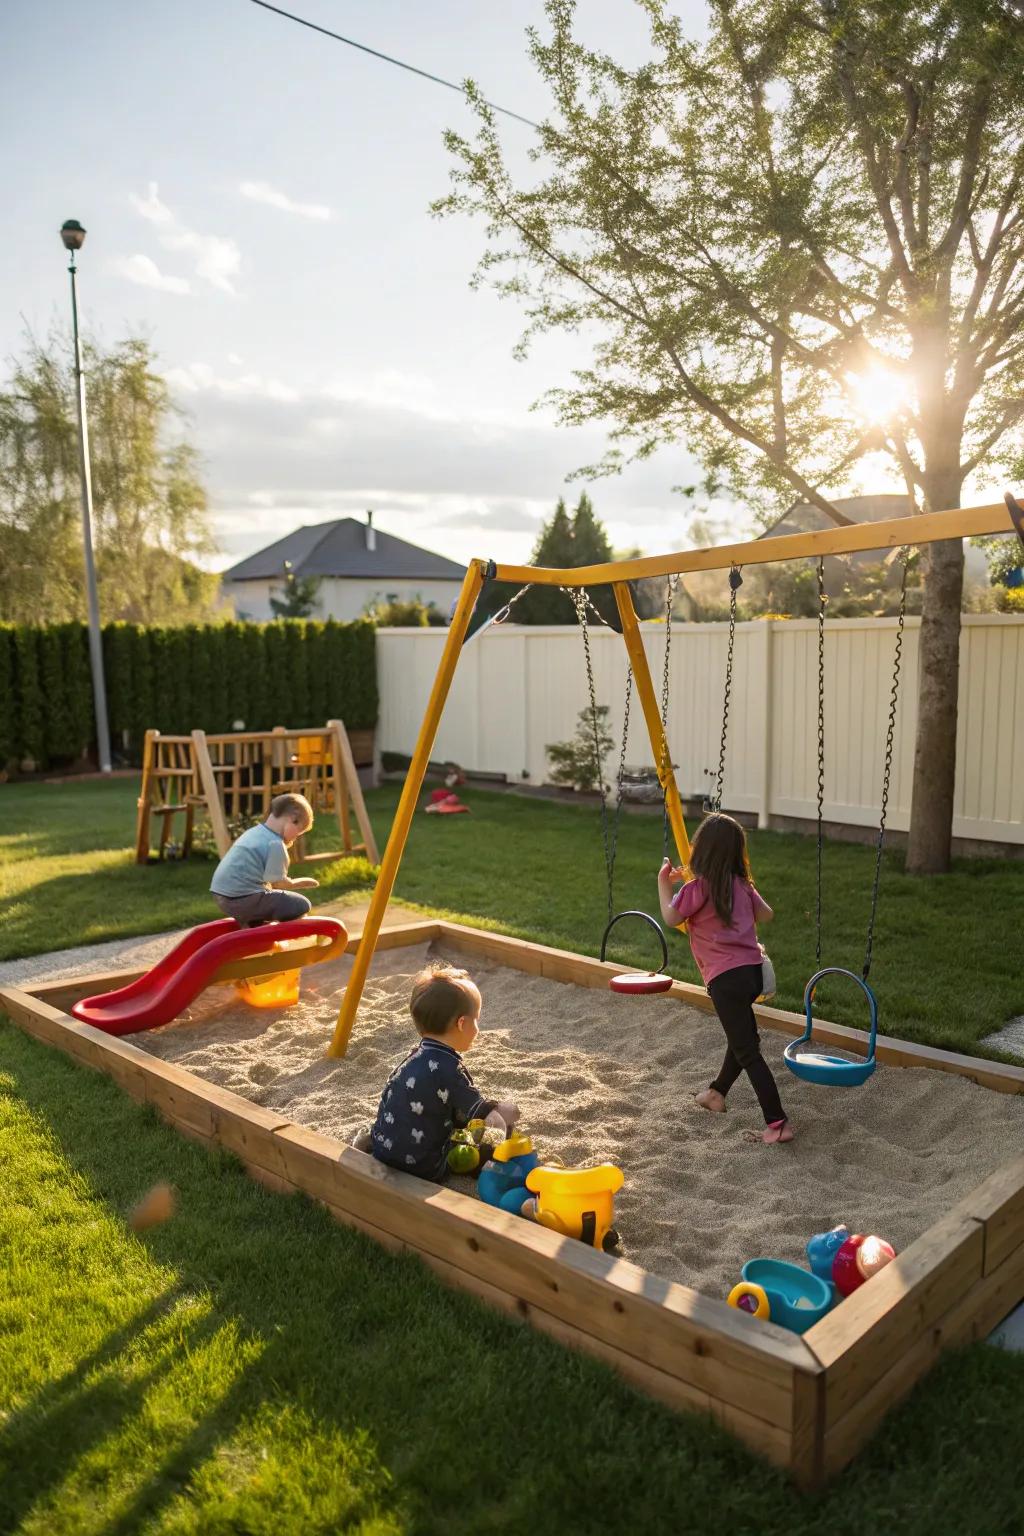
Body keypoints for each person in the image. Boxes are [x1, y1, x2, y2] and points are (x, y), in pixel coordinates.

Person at [658, 812, 792, 1145]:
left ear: (700, 851)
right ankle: (717, 1093)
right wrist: (744, 895)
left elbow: (671, 916)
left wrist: (664, 883)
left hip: (725, 980)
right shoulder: (741, 886)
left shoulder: (697, 888)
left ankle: (777, 1123)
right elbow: (768, 914)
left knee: (748, 1051)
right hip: (752, 975)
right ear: (737, 854)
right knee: (743, 1038)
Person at [365, 963, 519, 1182]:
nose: (477, 1029)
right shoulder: (451, 1070)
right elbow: (482, 1114)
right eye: (476, 1020)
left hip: (384, 1151)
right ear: (462, 1023)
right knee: (481, 1145)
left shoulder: (413, 1057)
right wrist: (502, 1118)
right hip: (424, 1167)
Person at [210, 791, 319, 926]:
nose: (295, 838)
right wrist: (301, 883)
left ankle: (253, 925)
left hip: (221, 895)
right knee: (301, 904)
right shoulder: (275, 844)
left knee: (268, 897)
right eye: (298, 833)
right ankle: (284, 932)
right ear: (292, 819)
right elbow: (278, 884)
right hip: (242, 899)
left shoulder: (254, 832)